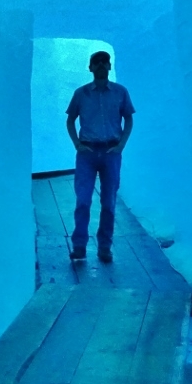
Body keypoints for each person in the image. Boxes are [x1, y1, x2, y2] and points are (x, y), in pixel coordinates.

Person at [65, 51, 135, 263]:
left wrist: (121, 145)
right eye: (97, 62)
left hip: (111, 152)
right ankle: (79, 245)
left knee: (108, 202)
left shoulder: (121, 92)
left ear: (110, 66)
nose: (101, 65)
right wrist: (77, 144)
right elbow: (70, 120)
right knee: (83, 200)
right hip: (87, 153)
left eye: (105, 61)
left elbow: (129, 119)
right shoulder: (81, 94)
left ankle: (105, 247)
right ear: (90, 67)